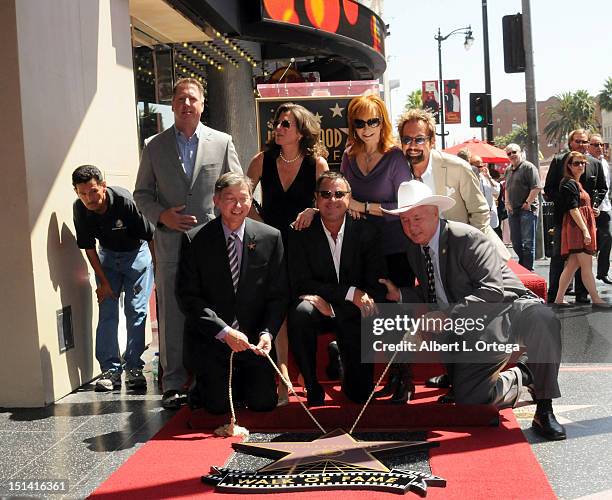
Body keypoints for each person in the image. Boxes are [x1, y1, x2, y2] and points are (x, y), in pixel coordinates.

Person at [380, 180, 566, 441]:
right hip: (470, 325)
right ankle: (525, 374)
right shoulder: (414, 248)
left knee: (544, 317)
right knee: (472, 400)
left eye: (417, 218)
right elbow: (436, 290)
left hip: (509, 310)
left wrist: (445, 316)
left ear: (436, 212)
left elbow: (492, 291)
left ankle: (545, 410)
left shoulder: (465, 238)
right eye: (405, 220)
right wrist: (400, 295)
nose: (411, 227)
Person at [134, 77, 242, 409]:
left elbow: (237, 186)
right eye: (180, 99)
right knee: (171, 313)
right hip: (170, 244)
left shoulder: (222, 142)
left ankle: (219, 377)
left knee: (214, 308)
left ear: (202, 104)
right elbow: (141, 194)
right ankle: (174, 383)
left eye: (192, 99)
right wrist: (161, 215)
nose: (186, 104)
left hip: (213, 244)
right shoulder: (154, 145)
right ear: (172, 105)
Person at [397, 108, 509, 390]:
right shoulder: (399, 172)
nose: (413, 145)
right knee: (439, 305)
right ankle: (454, 371)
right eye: (407, 139)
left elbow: (480, 213)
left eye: (419, 139)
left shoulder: (456, 167)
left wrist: (473, 250)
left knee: (460, 312)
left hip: (467, 259)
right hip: (430, 256)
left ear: (432, 140)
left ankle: (490, 371)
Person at [176, 173, 289, 414]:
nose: (238, 206)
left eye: (243, 198)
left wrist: (267, 333)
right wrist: (224, 332)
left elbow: (278, 295)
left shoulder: (271, 237)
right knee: (216, 408)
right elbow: (188, 297)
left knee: (262, 404)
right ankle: (204, 384)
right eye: (230, 198)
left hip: (253, 342)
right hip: (215, 339)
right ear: (216, 200)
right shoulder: (195, 240)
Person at [246, 102, 328, 404]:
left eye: (285, 124)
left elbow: (330, 200)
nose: (278, 128)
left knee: (299, 307)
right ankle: (282, 375)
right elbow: (244, 195)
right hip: (270, 244)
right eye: (277, 123)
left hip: (305, 245)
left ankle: (306, 371)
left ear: (301, 130)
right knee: (276, 308)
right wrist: (259, 221)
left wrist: (312, 209)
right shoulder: (262, 160)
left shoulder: (316, 163)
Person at [287, 171, 387, 406]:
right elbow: (300, 283)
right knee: (301, 312)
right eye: (325, 194)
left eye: (339, 194)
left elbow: (375, 288)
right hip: (319, 307)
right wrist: (348, 293)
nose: (332, 200)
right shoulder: (300, 231)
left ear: (349, 198)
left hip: (354, 314)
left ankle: (339, 355)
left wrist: (334, 308)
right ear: (316, 199)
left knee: (359, 395)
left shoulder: (367, 231)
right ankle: (312, 385)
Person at [339, 94, 414, 403]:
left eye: (373, 121)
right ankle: (387, 376)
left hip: (396, 247)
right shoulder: (347, 155)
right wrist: (348, 205)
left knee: (399, 314)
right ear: (352, 125)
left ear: (382, 122)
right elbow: (342, 195)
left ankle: (404, 379)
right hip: (362, 248)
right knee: (374, 314)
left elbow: (405, 205)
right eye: (360, 122)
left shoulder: (395, 157)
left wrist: (363, 205)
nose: (367, 128)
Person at [72, 165, 154, 391]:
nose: (89, 198)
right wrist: (104, 284)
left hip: (136, 254)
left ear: (103, 186)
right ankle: (110, 369)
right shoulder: (80, 209)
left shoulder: (124, 201)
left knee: (136, 309)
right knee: (107, 310)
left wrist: (160, 273)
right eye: (83, 194)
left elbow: (150, 236)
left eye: (93, 191)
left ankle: (134, 367)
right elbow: (89, 248)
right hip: (107, 257)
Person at [544, 129, 608, 303]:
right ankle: (555, 295)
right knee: (559, 257)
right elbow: (548, 189)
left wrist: (593, 206)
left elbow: (602, 188)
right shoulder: (559, 161)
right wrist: (567, 204)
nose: (582, 145)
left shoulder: (594, 163)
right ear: (570, 142)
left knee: (578, 261)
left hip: (587, 218)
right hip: (564, 219)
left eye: (585, 142)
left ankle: (582, 294)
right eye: (578, 141)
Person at [504, 144, 542, 271]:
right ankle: (523, 266)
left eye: (514, 152)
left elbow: (537, 187)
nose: (511, 155)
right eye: (508, 154)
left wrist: (527, 203)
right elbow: (507, 189)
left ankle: (528, 269)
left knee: (527, 243)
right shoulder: (508, 169)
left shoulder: (529, 167)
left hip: (527, 211)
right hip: (513, 210)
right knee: (516, 242)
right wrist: (507, 203)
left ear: (520, 152)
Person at [588, 133, 612, 284]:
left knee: (608, 236)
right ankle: (584, 276)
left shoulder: (605, 163)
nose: (600, 148)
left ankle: (603, 272)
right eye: (596, 145)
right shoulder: (585, 162)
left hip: (605, 207)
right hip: (589, 208)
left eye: (601, 145)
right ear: (589, 146)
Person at [471, 155, 500, 230]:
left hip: (490, 213)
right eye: (476, 167)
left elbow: (496, 191)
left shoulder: (485, 177)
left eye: (480, 166)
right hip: (478, 215)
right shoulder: (470, 179)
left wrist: (489, 177)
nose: (479, 169)